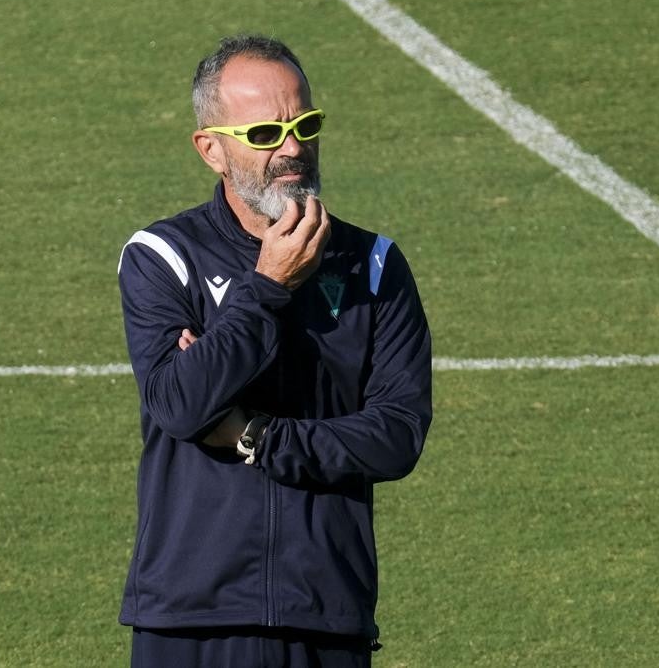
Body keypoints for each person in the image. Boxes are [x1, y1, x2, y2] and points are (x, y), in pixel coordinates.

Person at [115, 34, 433, 668]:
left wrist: (255, 435)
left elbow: (396, 436)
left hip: (325, 614)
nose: (292, 149)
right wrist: (267, 288)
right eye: (265, 133)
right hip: (190, 617)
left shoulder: (374, 266)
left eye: (304, 124)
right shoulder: (163, 257)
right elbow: (179, 406)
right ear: (211, 148)